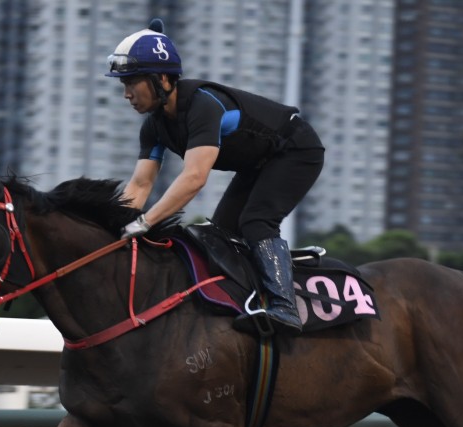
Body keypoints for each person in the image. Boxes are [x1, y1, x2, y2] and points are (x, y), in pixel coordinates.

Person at [106, 19, 325, 334]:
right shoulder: (153, 126)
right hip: (260, 162)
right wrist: (117, 226)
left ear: (161, 79)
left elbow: (194, 178)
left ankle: (285, 307)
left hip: (297, 149)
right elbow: (140, 185)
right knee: (219, 234)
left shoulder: (202, 106)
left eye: (131, 83)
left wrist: (144, 223)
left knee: (256, 222)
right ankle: (246, 299)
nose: (126, 94)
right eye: (123, 85)